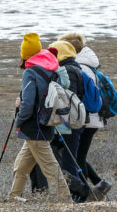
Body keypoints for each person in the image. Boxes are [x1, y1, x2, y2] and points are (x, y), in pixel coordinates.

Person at [8, 33, 70, 201]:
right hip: (46, 124)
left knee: (50, 168)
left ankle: (66, 201)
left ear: (25, 54)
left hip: (34, 128)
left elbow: (28, 104)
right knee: (20, 167)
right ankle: (13, 198)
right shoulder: (50, 67)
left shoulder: (30, 72)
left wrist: (19, 118)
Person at [58, 31, 111, 197]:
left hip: (84, 118)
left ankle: (86, 193)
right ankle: (98, 184)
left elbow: (74, 96)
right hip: (94, 117)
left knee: (75, 158)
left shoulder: (77, 67)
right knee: (76, 156)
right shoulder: (88, 65)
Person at [48, 39, 95, 202]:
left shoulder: (67, 70)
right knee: (71, 158)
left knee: (69, 161)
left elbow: (67, 97)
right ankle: (80, 193)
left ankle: (79, 195)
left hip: (70, 122)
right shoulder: (76, 68)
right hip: (78, 120)